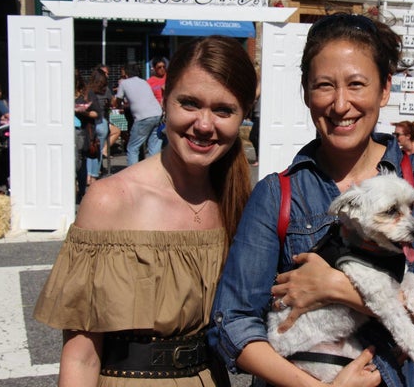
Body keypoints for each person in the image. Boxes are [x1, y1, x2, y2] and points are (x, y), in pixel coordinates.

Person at [208, 13, 414, 387]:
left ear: (384, 89)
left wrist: (335, 287)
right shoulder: (277, 195)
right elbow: (230, 322)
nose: (341, 104)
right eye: (324, 86)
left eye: (357, 84)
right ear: (307, 92)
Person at [34, 36, 258, 386]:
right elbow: (80, 356)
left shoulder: (241, 201)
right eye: (189, 103)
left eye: (223, 110)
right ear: (165, 101)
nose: (203, 124)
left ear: (244, 114)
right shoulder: (111, 200)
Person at [114, 63, 163, 165]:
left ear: (126, 74)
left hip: (143, 117)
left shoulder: (124, 83)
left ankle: (133, 175)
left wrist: (118, 105)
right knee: (153, 147)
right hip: (157, 114)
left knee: (132, 148)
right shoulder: (144, 82)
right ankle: (153, 172)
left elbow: (118, 100)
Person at [73, 72, 101, 203]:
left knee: (79, 162)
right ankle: (73, 190)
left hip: (80, 131)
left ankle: (81, 191)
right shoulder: (60, 91)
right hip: (63, 131)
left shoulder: (86, 94)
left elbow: (97, 113)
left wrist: (83, 112)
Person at [85, 68, 112, 185]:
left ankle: (87, 175)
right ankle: (94, 177)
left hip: (91, 122)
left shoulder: (88, 90)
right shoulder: (106, 90)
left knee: (89, 150)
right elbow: (113, 102)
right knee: (98, 151)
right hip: (103, 122)